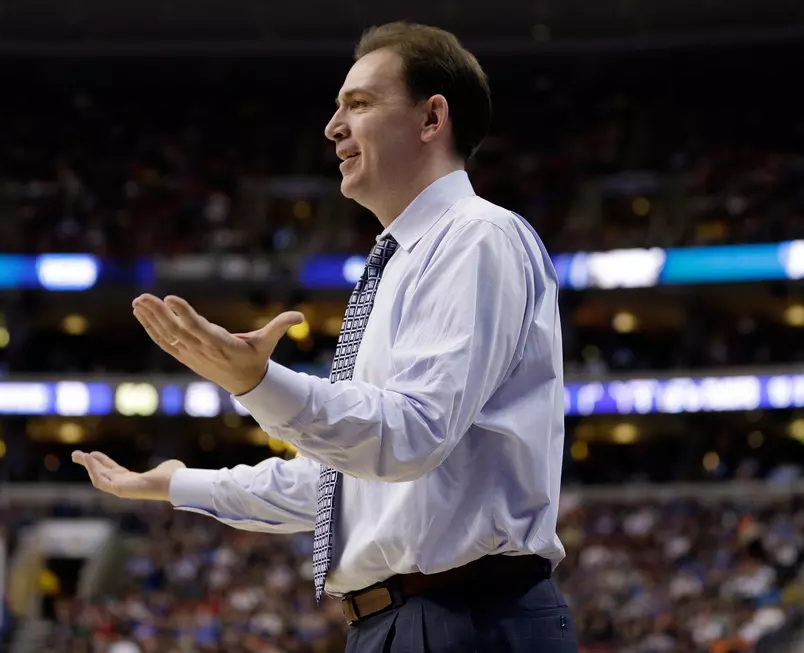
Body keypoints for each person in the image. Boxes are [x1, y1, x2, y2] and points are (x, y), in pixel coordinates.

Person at [74, 21, 577, 653]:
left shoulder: (478, 238)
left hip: (466, 617)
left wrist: (258, 382)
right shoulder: (399, 260)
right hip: (405, 621)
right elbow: (339, 484)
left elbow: (411, 435)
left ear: (431, 119)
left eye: (359, 104)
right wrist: (178, 484)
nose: (332, 127)